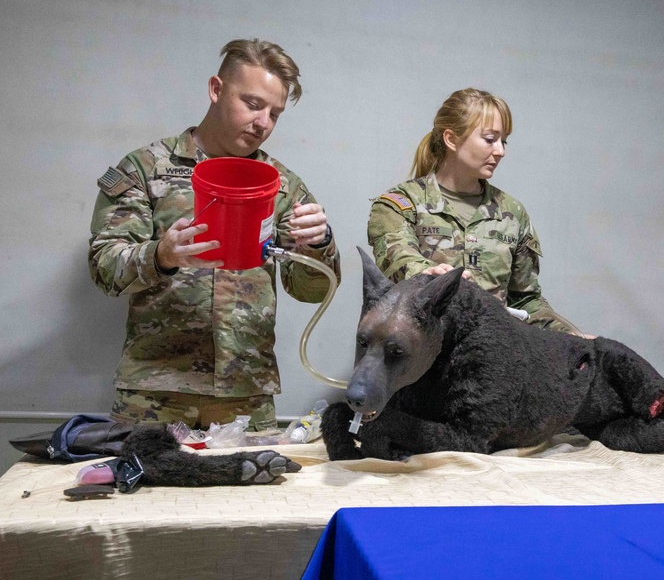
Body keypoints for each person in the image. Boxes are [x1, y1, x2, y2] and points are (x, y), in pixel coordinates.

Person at [89, 38, 340, 431]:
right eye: (253, 104)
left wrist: (321, 246)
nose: (263, 123)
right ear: (216, 89)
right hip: (156, 394)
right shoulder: (147, 168)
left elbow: (311, 290)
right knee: (148, 493)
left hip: (246, 396)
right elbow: (104, 268)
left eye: (274, 114)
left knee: (250, 494)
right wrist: (161, 256)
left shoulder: (282, 186)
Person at [367, 87, 583, 335]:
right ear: (451, 139)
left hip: (490, 359)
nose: (500, 151)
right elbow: (399, 261)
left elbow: (525, 301)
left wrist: (571, 341)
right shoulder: (400, 204)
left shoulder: (511, 213)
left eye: (503, 141)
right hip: (420, 359)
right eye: (490, 140)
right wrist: (431, 276)